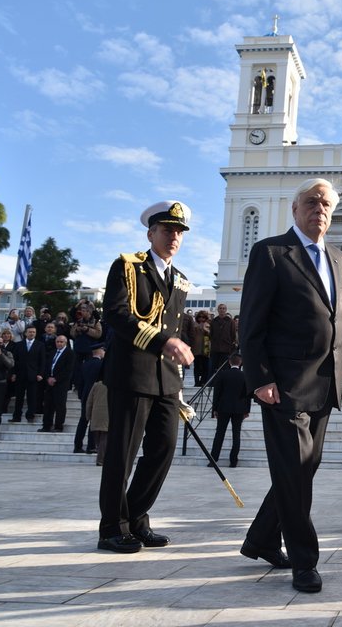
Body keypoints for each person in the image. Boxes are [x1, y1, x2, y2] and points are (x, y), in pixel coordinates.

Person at [238, 178, 342, 594]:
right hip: (285, 384)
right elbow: (252, 322)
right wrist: (260, 379)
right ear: (294, 209)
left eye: (326, 204)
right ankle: (305, 562)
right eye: (311, 202)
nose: (319, 210)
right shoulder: (272, 253)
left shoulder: (340, 259)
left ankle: (260, 539)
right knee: (294, 470)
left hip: (326, 382)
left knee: (303, 470)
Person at [97, 200, 194, 554]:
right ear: (150, 232)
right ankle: (112, 527)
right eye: (167, 230)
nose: (174, 237)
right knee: (122, 454)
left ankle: (136, 517)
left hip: (167, 379)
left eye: (179, 232)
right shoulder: (127, 267)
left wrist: (179, 382)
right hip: (132, 373)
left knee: (163, 449)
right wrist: (164, 341)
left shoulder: (180, 279)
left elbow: (176, 327)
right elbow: (117, 315)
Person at [210, 353, 251, 468]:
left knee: (219, 434)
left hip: (223, 408)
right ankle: (233, 461)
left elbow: (216, 393)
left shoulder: (222, 374)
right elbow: (248, 395)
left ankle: (213, 459)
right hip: (239, 409)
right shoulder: (244, 376)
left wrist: (215, 409)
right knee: (236, 434)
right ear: (241, 362)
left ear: (229, 362)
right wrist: (247, 410)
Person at [73, 343, 105, 453]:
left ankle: (77, 445)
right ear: (100, 351)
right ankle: (91, 446)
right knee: (94, 420)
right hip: (97, 395)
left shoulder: (85, 364)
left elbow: (80, 381)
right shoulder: (102, 364)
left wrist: (81, 395)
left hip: (86, 394)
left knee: (83, 420)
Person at [39, 335, 74, 433]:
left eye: (61, 342)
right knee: (48, 405)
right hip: (49, 383)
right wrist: (48, 378)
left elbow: (68, 370)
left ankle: (58, 426)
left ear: (65, 343)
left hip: (61, 384)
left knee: (60, 405)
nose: (59, 343)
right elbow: (47, 366)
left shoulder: (69, 353)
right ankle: (46, 425)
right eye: (58, 341)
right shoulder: (53, 352)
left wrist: (56, 379)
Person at [11, 325, 45, 423]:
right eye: (30, 332)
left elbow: (42, 361)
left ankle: (30, 415)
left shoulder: (40, 345)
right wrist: (13, 373)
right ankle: (16, 416)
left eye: (33, 332)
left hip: (33, 375)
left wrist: (40, 374)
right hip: (20, 374)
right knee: (19, 397)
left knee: (32, 396)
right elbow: (14, 360)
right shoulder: (18, 345)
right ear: (25, 333)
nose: (31, 333)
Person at [85, 380, 110, 466]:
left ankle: (101, 457)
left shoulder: (96, 385)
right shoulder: (114, 384)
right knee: (105, 437)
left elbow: (89, 401)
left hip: (96, 414)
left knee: (98, 437)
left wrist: (88, 415)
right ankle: (101, 459)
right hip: (108, 414)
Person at [210, 304, 237, 374]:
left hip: (226, 348)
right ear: (218, 310)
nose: (222, 310)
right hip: (215, 348)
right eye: (220, 308)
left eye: (223, 308)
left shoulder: (230, 321)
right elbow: (211, 334)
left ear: (226, 310)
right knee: (214, 366)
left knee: (225, 366)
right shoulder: (214, 321)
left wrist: (229, 342)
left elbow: (233, 334)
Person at [191, 310, 211, 386]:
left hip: (206, 349)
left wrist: (206, 330)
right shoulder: (194, 325)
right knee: (196, 366)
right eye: (200, 317)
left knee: (205, 366)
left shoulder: (209, 325)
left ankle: (203, 381)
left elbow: (212, 335)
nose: (201, 319)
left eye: (203, 317)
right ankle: (196, 382)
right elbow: (191, 335)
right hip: (196, 349)